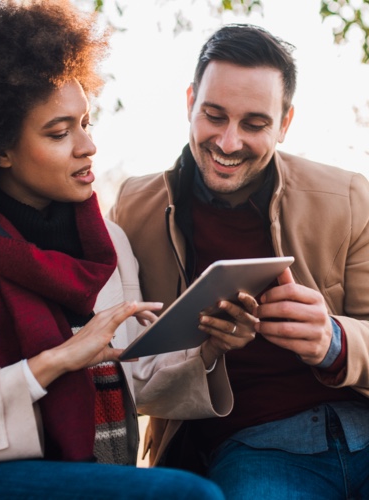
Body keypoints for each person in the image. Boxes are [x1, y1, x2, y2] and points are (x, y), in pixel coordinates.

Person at [0, 2, 227, 499]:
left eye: (85, 122)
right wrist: (52, 364)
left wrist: (212, 349)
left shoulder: (106, 245)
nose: (87, 145)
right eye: (58, 132)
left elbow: (126, 379)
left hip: (93, 471)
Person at [109, 23, 369, 499]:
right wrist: (206, 351)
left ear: (285, 123)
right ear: (190, 102)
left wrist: (334, 341)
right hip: (253, 445)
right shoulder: (133, 209)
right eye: (214, 116)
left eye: (254, 124)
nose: (228, 143)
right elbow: (128, 360)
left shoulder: (349, 197)